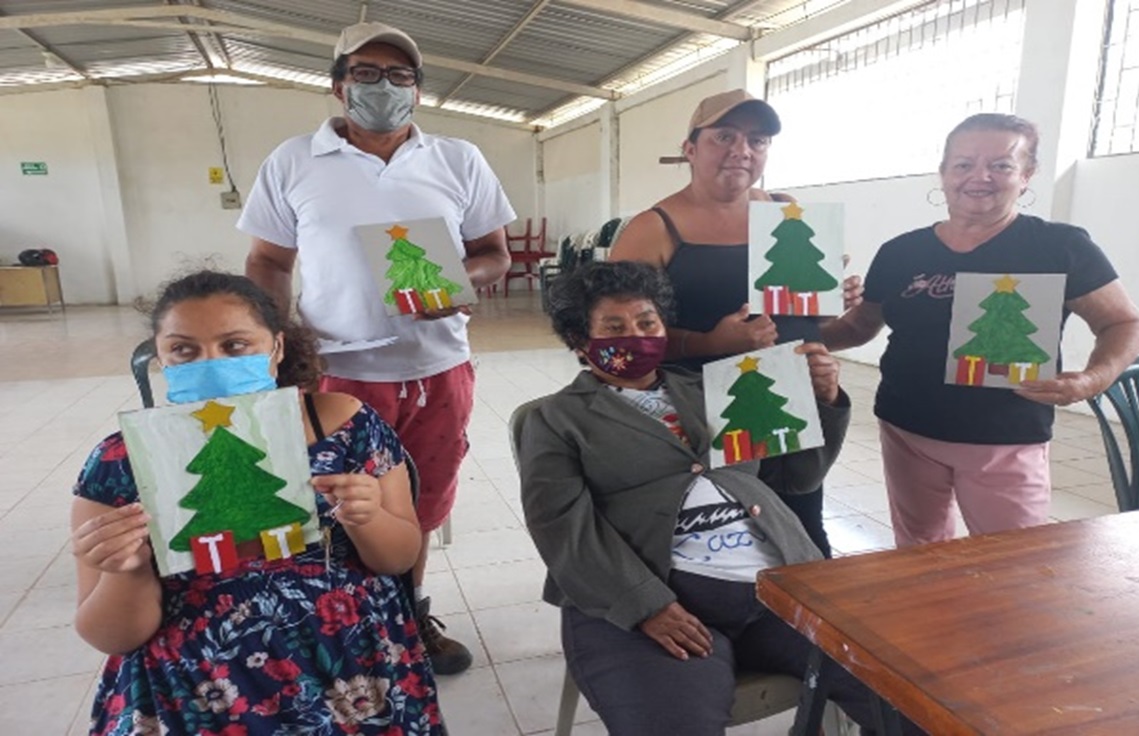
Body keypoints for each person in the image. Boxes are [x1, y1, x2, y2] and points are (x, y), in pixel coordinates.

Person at [519, 261, 922, 736]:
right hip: (657, 599)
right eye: (614, 327)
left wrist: (825, 401)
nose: (636, 336)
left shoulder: (716, 389)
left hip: (777, 589)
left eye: (647, 322)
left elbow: (795, 478)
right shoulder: (556, 419)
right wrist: (646, 605)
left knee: (911, 694)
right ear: (579, 340)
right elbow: (561, 528)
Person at [239, 21, 515, 674]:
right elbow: (267, 261)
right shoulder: (293, 161)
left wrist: (458, 282)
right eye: (365, 73)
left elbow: (494, 254)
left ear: (417, 91)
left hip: (436, 367)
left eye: (399, 76)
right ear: (338, 86)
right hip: (337, 371)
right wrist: (275, 344)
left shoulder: (458, 159)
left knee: (422, 500)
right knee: (334, 503)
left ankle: (407, 615)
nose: (383, 86)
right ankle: (335, 625)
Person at [70, 271, 443, 735]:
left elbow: (399, 558)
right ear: (160, 357)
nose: (210, 364)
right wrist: (126, 570)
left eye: (235, 345)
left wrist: (368, 518)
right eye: (184, 350)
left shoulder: (346, 425)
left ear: (277, 348)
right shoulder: (123, 462)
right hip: (198, 687)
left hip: (350, 664)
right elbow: (110, 636)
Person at [822, 113, 1139, 546]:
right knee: (918, 553)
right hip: (907, 429)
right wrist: (790, 331)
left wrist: (1093, 379)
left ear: (1026, 175)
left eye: (1001, 165)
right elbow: (859, 327)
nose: (980, 177)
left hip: (1005, 437)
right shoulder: (901, 252)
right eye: (964, 164)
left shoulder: (1060, 247)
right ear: (943, 173)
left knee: (1011, 560)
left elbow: (1124, 322)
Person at [610, 88, 862, 557]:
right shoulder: (653, 229)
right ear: (690, 148)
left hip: (786, 400)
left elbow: (797, 315)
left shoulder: (786, 212)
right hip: (698, 411)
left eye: (757, 140)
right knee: (716, 539)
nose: (742, 150)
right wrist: (710, 342)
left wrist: (830, 303)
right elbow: (619, 341)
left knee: (801, 528)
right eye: (724, 136)